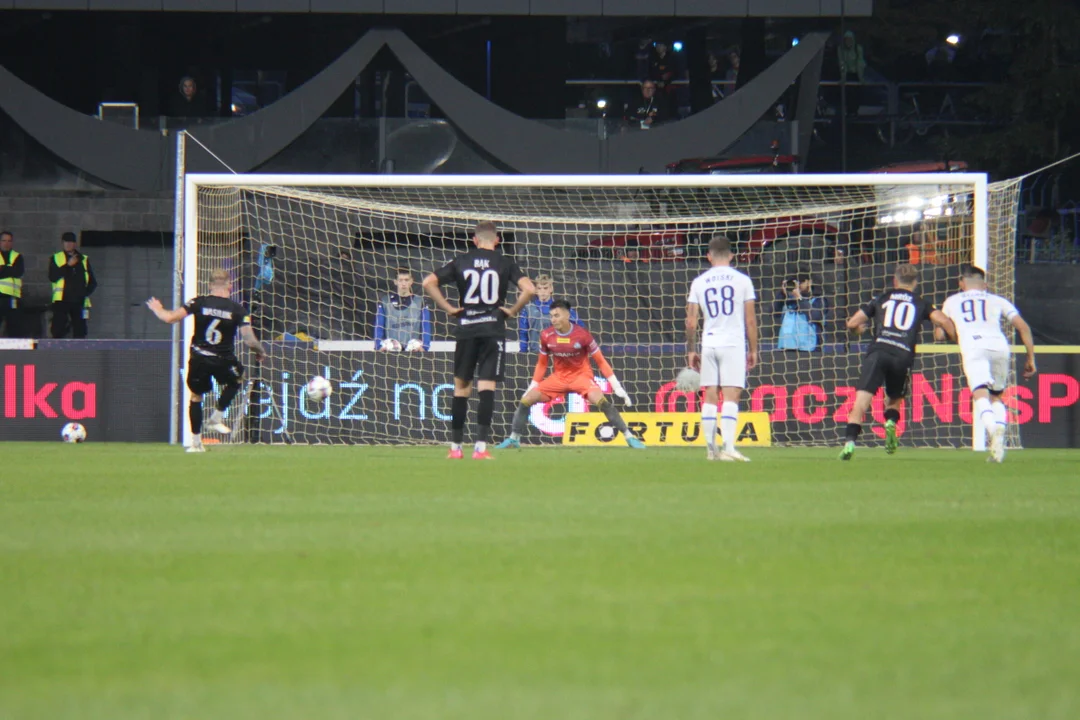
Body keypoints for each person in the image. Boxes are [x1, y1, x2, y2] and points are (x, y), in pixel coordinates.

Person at [423, 221, 536, 460]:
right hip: (492, 330)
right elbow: (530, 289)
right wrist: (512, 310)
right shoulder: (505, 262)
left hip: (466, 329)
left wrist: (449, 308)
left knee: (461, 388)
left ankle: (455, 449)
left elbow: (427, 282)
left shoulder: (461, 261)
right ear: (496, 240)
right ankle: (480, 449)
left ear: (474, 240)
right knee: (487, 387)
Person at [839, 264, 954, 460]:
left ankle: (850, 442)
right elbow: (943, 321)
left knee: (861, 402)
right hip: (902, 355)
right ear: (915, 283)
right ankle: (890, 423)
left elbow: (852, 323)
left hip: (878, 352)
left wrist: (858, 330)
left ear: (895, 280)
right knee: (894, 399)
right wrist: (953, 336)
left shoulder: (881, 298)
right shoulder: (921, 302)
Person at [146, 269, 266, 453]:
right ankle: (216, 417)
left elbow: (169, 318)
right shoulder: (237, 310)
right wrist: (260, 351)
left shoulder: (198, 302)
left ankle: (195, 444)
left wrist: (157, 308)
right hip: (223, 359)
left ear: (209, 285)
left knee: (196, 396)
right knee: (237, 379)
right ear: (230, 286)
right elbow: (249, 339)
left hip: (199, 357)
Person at [497, 299, 644, 450]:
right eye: (552, 316)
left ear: (567, 315)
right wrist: (533, 385)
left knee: (602, 402)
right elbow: (542, 363)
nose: (553, 319)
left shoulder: (582, 335)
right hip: (558, 378)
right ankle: (514, 439)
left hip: (581, 377)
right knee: (526, 400)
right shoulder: (546, 335)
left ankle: (629, 437)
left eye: (557, 315)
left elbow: (600, 361)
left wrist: (617, 386)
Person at [941, 264, 1037, 463]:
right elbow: (1023, 327)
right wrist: (1030, 358)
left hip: (974, 345)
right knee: (997, 396)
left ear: (961, 283)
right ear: (984, 284)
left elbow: (941, 333)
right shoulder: (997, 300)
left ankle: (993, 429)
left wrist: (949, 331)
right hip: (999, 346)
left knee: (980, 393)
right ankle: (998, 444)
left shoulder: (951, 301)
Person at [685, 235, 759, 462]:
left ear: (708, 256)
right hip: (732, 343)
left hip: (708, 343)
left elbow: (691, 320)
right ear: (731, 255)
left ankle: (711, 450)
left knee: (709, 395)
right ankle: (728, 447)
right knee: (731, 395)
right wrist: (754, 349)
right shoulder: (742, 280)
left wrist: (691, 349)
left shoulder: (699, 281)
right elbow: (750, 320)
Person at [48, 232, 97, 339]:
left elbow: (93, 282)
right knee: (58, 330)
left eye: (70, 242)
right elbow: (52, 277)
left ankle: (78, 353)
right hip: (62, 300)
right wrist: (68, 266)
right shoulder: (56, 258)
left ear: (75, 244)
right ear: (62, 243)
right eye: (66, 242)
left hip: (78, 301)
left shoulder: (83, 259)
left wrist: (84, 293)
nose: (68, 244)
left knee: (80, 331)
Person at [374, 267, 432, 351]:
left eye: (406, 280)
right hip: (391, 351)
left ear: (411, 281)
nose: (403, 283)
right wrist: (378, 347)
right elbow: (379, 325)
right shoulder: (385, 302)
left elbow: (426, 326)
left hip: (413, 350)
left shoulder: (420, 302)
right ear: (395, 282)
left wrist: (425, 347)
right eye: (400, 280)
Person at [518, 274, 579, 352]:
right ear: (535, 290)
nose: (543, 291)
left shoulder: (562, 308)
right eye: (539, 288)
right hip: (535, 355)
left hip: (558, 355)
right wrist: (523, 352)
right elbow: (523, 333)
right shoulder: (528, 309)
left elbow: (579, 328)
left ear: (551, 288)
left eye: (545, 288)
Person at [775, 274, 826, 351]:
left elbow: (815, 316)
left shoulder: (818, 299)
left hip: (809, 348)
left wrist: (799, 298)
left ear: (809, 282)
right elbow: (773, 312)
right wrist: (782, 294)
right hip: (787, 347)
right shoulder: (788, 301)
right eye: (795, 282)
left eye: (801, 282)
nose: (798, 285)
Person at [0, 230, 24, 337]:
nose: (6, 243)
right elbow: (13, 271)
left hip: (13, 297)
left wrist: (3, 269)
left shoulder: (17, 256)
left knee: (14, 327)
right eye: (4, 240)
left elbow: (18, 272)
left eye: (9, 241)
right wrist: (10, 269)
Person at [837, 30, 866, 116]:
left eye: (850, 40)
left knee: (857, 93)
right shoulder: (841, 49)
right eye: (846, 40)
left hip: (856, 73)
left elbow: (860, 63)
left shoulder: (858, 49)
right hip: (847, 74)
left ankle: (855, 111)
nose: (848, 42)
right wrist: (843, 77)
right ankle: (849, 111)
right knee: (848, 93)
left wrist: (861, 78)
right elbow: (842, 63)